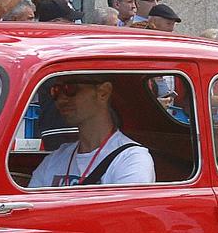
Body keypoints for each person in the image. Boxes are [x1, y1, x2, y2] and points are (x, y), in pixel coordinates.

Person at [26, 77, 154, 187]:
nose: (61, 100)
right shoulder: (56, 158)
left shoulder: (132, 159)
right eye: (55, 91)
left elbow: (125, 214)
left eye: (69, 88)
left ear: (103, 92)